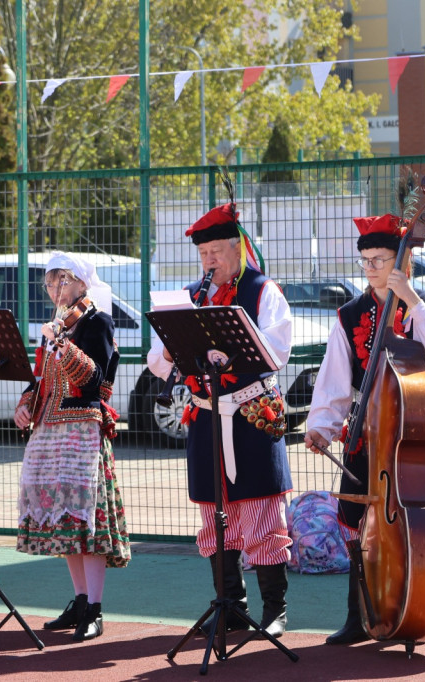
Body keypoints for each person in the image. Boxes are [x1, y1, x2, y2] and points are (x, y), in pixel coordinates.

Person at [304, 213, 425, 645]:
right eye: (366, 260)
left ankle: (410, 600)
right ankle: (359, 613)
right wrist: (322, 424)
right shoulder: (350, 314)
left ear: (403, 261)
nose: (372, 268)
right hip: (366, 431)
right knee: (355, 517)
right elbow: (335, 378)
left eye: (380, 259)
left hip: (409, 431)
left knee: (412, 523)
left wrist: (411, 298)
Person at [146, 203, 294, 638]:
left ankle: (275, 609)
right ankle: (231, 604)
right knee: (214, 513)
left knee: (263, 510)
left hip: (251, 413)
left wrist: (235, 334)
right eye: (203, 253)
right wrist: (173, 344)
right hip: (207, 417)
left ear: (238, 249)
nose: (209, 261)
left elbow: (278, 352)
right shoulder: (189, 296)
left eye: (216, 251)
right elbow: (157, 361)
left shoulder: (263, 291)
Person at [13, 252, 130, 642]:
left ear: (81, 282)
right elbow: (41, 379)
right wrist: (26, 402)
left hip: (81, 430)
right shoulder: (55, 325)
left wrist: (61, 344)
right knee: (66, 522)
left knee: (87, 520)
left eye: (62, 280)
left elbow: (96, 381)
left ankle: (95, 607)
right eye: (49, 282)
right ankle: (79, 601)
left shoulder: (96, 320)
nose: (54, 288)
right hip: (49, 431)